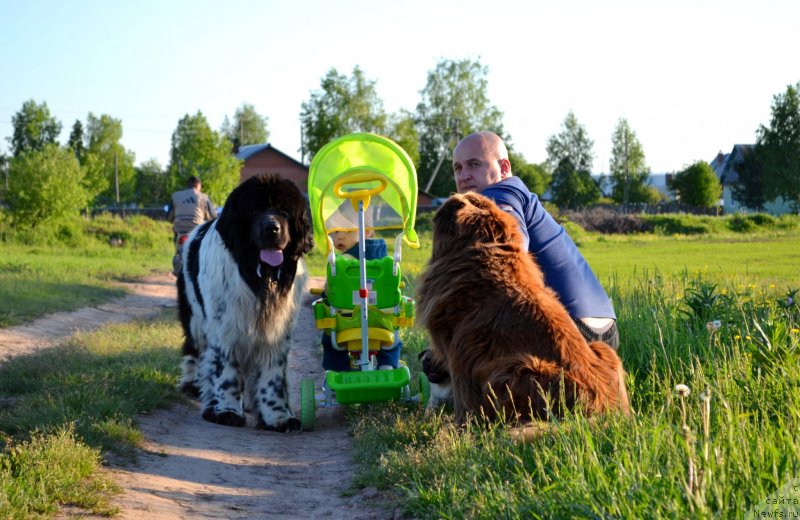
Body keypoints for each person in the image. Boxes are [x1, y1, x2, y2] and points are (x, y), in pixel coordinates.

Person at [452, 131, 619, 349]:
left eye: (474, 164)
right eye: (458, 168)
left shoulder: (501, 193)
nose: (463, 176)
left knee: (459, 350)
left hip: (569, 329)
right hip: (606, 330)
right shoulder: (521, 195)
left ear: (503, 168)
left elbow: (511, 248)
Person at [321, 229, 403, 371]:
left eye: (349, 231)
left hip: (346, 323)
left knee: (330, 341)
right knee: (392, 338)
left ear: (367, 232)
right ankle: (387, 364)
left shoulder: (339, 264)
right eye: (334, 232)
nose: (340, 236)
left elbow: (329, 292)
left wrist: (324, 293)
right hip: (381, 321)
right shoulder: (386, 261)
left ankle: (338, 370)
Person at [167, 176, 217, 275]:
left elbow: (169, 217)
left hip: (180, 231)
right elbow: (213, 216)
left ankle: (178, 260)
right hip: (197, 231)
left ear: (188, 184)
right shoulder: (203, 197)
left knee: (177, 242)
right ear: (198, 185)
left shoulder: (175, 196)